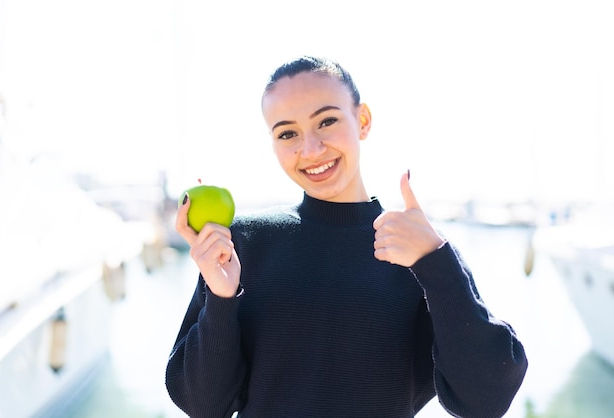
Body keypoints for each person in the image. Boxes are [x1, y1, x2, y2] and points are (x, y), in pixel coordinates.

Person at [165, 56, 528, 418]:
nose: (310, 149)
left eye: (327, 121)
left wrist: (436, 260)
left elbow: (485, 400)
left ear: (363, 121)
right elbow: (204, 406)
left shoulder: (416, 250)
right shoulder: (244, 244)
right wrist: (221, 296)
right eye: (287, 133)